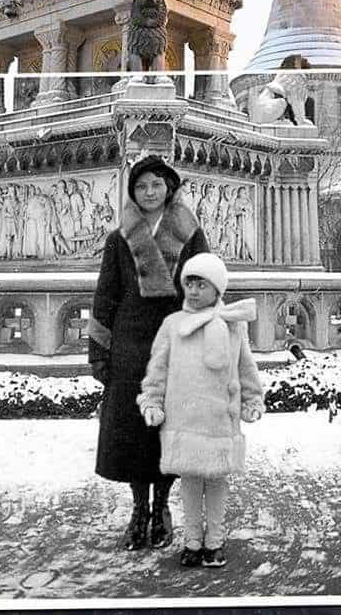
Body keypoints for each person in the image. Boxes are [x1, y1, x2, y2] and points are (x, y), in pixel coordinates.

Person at [88, 156, 209, 551]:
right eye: (141, 187)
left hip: (177, 344)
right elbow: (106, 294)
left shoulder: (191, 235)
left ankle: (162, 509)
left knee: (168, 431)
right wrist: (99, 351)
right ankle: (139, 510)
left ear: (169, 188)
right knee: (134, 433)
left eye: (156, 185)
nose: (149, 192)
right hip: (130, 347)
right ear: (133, 193)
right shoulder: (118, 238)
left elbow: (206, 289)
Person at [137, 253, 264, 568]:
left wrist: (252, 400)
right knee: (191, 483)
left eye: (200, 285)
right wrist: (151, 401)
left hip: (220, 418)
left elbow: (246, 368)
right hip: (185, 419)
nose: (192, 291)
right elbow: (158, 369)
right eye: (189, 284)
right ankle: (192, 541)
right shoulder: (173, 325)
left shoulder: (233, 325)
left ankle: (215, 541)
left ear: (217, 289)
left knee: (217, 483)